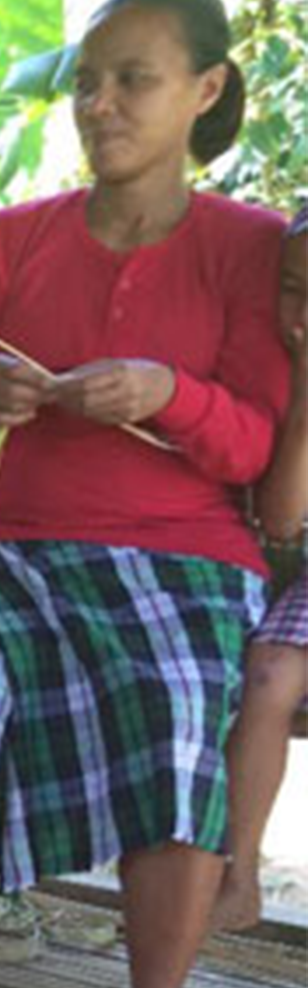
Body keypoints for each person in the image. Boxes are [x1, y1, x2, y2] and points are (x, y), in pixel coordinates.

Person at [0, 0, 287, 986]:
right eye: (87, 83)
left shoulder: (256, 247)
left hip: (186, 559)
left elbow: (254, 449)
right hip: (9, 545)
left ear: (206, 90)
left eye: (132, 81)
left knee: (176, 703)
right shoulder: (0, 246)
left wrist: (169, 394)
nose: (99, 104)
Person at [214, 204, 308, 932]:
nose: (304, 312)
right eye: (294, 287)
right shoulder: (265, 367)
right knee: (270, 672)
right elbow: (280, 516)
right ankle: (236, 875)